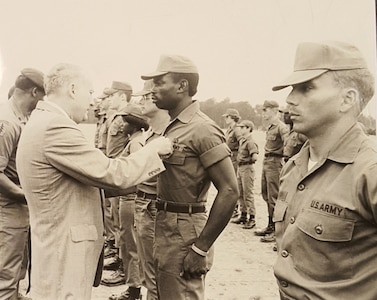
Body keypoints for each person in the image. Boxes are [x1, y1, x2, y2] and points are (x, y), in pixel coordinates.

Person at [15, 63, 172, 300]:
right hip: (64, 253)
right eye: (89, 93)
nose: (92, 102)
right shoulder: (56, 126)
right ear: (73, 89)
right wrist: (155, 150)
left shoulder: (43, 121)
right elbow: (112, 173)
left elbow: (79, 184)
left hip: (56, 248)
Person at [271, 41, 376, 299]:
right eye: (293, 89)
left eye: (306, 88)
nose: (290, 99)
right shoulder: (294, 168)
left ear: (347, 99)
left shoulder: (369, 170)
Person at [141, 55, 238, 299]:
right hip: (165, 224)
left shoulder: (202, 128)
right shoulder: (174, 126)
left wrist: (200, 247)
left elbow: (229, 190)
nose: (153, 89)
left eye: (160, 82)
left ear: (182, 86)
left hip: (185, 229)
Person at [0, 68, 45, 300]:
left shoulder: (21, 117)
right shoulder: (6, 122)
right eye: (42, 97)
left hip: (18, 205)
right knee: (6, 273)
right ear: (34, 92)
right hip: (7, 207)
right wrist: (25, 195)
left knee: (18, 266)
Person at [104, 104, 149, 300]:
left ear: (133, 123)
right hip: (126, 199)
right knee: (127, 242)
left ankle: (134, 290)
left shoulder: (137, 143)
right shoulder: (134, 141)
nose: (121, 124)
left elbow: (138, 175)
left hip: (130, 200)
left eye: (125, 120)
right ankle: (133, 286)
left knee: (131, 245)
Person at [134, 80, 170, 300]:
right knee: (148, 274)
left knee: (157, 277)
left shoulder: (167, 135)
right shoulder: (150, 133)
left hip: (154, 207)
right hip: (143, 204)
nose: (141, 102)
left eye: (146, 97)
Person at [254, 100, 288, 243]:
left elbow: (288, 145)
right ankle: (270, 225)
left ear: (275, 111)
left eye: (266, 110)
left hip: (275, 163)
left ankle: (276, 231)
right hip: (267, 162)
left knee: (274, 197)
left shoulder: (281, 127)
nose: (263, 113)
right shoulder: (270, 127)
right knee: (266, 194)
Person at [234, 120, 259, 229]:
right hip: (241, 167)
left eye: (243, 127)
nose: (241, 129)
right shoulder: (243, 141)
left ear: (249, 128)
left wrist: (247, 161)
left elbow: (255, 156)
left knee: (248, 194)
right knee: (240, 192)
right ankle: (243, 215)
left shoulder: (250, 142)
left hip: (247, 167)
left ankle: (252, 218)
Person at [222, 108, 242, 220]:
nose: (225, 119)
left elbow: (242, 142)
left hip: (234, 158)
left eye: (227, 117)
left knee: (233, 184)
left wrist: (239, 156)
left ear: (233, 118)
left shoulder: (237, 130)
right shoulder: (229, 130)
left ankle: (235, 210)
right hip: (229, 158)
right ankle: (233, 210)